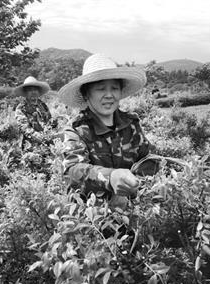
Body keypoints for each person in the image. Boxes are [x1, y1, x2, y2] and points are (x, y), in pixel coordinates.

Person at [58, 53, 152, 207]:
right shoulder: (76, 130)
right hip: (92, 216)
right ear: (86, 93)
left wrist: (134, 186)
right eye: (101, 89)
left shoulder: (131, 123)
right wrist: (110, 177)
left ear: (121, 92)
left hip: (132, 210)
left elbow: (148, 159)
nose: (109, 95)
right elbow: (73, 170)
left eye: (114, 88)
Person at [14, 76, 58, 151]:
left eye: (35, 89)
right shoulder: (21, 108)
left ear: (38, 91)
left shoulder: (42, 105)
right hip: (31, 148)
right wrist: (41, 137)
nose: (33, 92)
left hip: (47, 145)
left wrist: (54, 124)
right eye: (30, 90)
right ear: (25, 92)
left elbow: (49, 121)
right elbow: (25, 128)